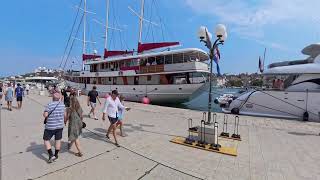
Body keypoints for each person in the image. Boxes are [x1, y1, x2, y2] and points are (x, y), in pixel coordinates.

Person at [43, 93, 66, 163]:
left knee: (46, 140)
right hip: (60, 126)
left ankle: (51, 154)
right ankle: (56, 155)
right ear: (59, 98)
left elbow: (45, 115)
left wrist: (44, 114)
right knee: (58, 140)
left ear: (52, 98)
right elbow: (65, 115)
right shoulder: (62, 105)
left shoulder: (49, 105)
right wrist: (64, 121)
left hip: (50, 126)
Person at [65, 91, 83, 157]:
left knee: (75, 137)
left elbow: (67, 115)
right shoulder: (78, 105)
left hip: (73, 123)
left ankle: (80, 152)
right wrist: (81, 121)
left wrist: (65, 121)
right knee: (74, 135)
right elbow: (81, 114)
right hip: (78, 122)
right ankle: (69, 145)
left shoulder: (70, 108)